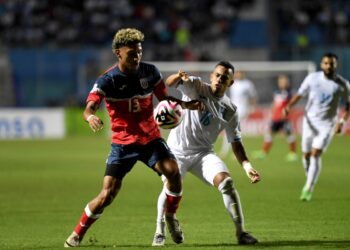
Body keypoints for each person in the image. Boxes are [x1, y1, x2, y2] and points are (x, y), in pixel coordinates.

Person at [64, 28, 202, 247]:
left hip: (150, 139)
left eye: (139, 51)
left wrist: (185, 105)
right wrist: (90, 117)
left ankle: (171, 217)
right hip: (122, 143)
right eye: (131, 53)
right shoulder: (107, 80)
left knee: (173, 173)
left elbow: (164, 98)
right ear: (118, 53)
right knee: (107, 194)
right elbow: (88, 108)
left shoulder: (151, 72)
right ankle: (77, 234)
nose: (137, 56)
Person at [151, 61, 261, 247]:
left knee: (227, 183)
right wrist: (178, 76)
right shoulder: (196, 85)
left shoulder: (230, 110)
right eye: (217, 75)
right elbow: (169, 83)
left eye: (224, 77)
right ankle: (159, 231)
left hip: (203, 154)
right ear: (211, 76)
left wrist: (247, 166)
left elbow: (236, 143)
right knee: (170, 186)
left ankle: (241, 233)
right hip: (176, 151)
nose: (219, 79)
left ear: (231, 83)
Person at [283, 52, 350, 201]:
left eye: (331, 63)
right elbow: (300, 94)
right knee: (306, 155)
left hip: (327, 125)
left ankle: (308, 187)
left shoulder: (343, 84)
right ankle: (310, 176)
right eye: (326, 63)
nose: (329, 66)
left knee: (315, 154)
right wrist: (289, 106)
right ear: (321, 65)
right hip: (309, 122)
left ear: (336, 65)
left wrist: (342, 122)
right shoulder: (312, 78)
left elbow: (348, 105)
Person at [253, 74, 298, 161]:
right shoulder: (277, 92)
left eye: (284, 81)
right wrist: (272, 113)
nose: (282, 83)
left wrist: (288, 114)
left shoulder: (290, 93)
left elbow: (292, 105)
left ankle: (293, 154)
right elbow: (274, 104)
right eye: (281, 81)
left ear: (287, 82)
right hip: (276, 118)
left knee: (289, 135)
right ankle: (263, 153)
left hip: (285, 118)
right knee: (269, 135)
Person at [220, 70, 257, 156]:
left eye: (239, 73)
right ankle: (227, 151)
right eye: (237, 73)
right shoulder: (233, 83)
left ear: (243, 74)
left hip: (243, 108)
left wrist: (253, 107)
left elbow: (253, 96)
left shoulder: (248, 84)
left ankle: (237, 151)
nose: (237, 75)